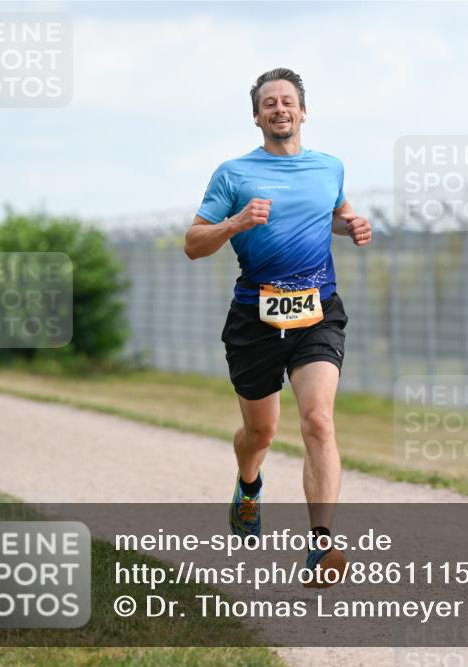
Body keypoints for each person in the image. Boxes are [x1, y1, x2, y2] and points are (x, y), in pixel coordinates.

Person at [184, 68, 371, 588]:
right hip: (255, 317)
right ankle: (248, 487)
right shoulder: (233, 174)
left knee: (318, 421)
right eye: (270, 103)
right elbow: (193, 243)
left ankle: (321, 545)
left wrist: (353, 223)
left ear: (303, 111)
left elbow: (334, 211)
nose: (280, 109)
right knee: (261, 432)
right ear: (257, 116)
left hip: (317, 311)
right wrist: (235, 224)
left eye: (288, 101)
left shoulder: (329, 166)